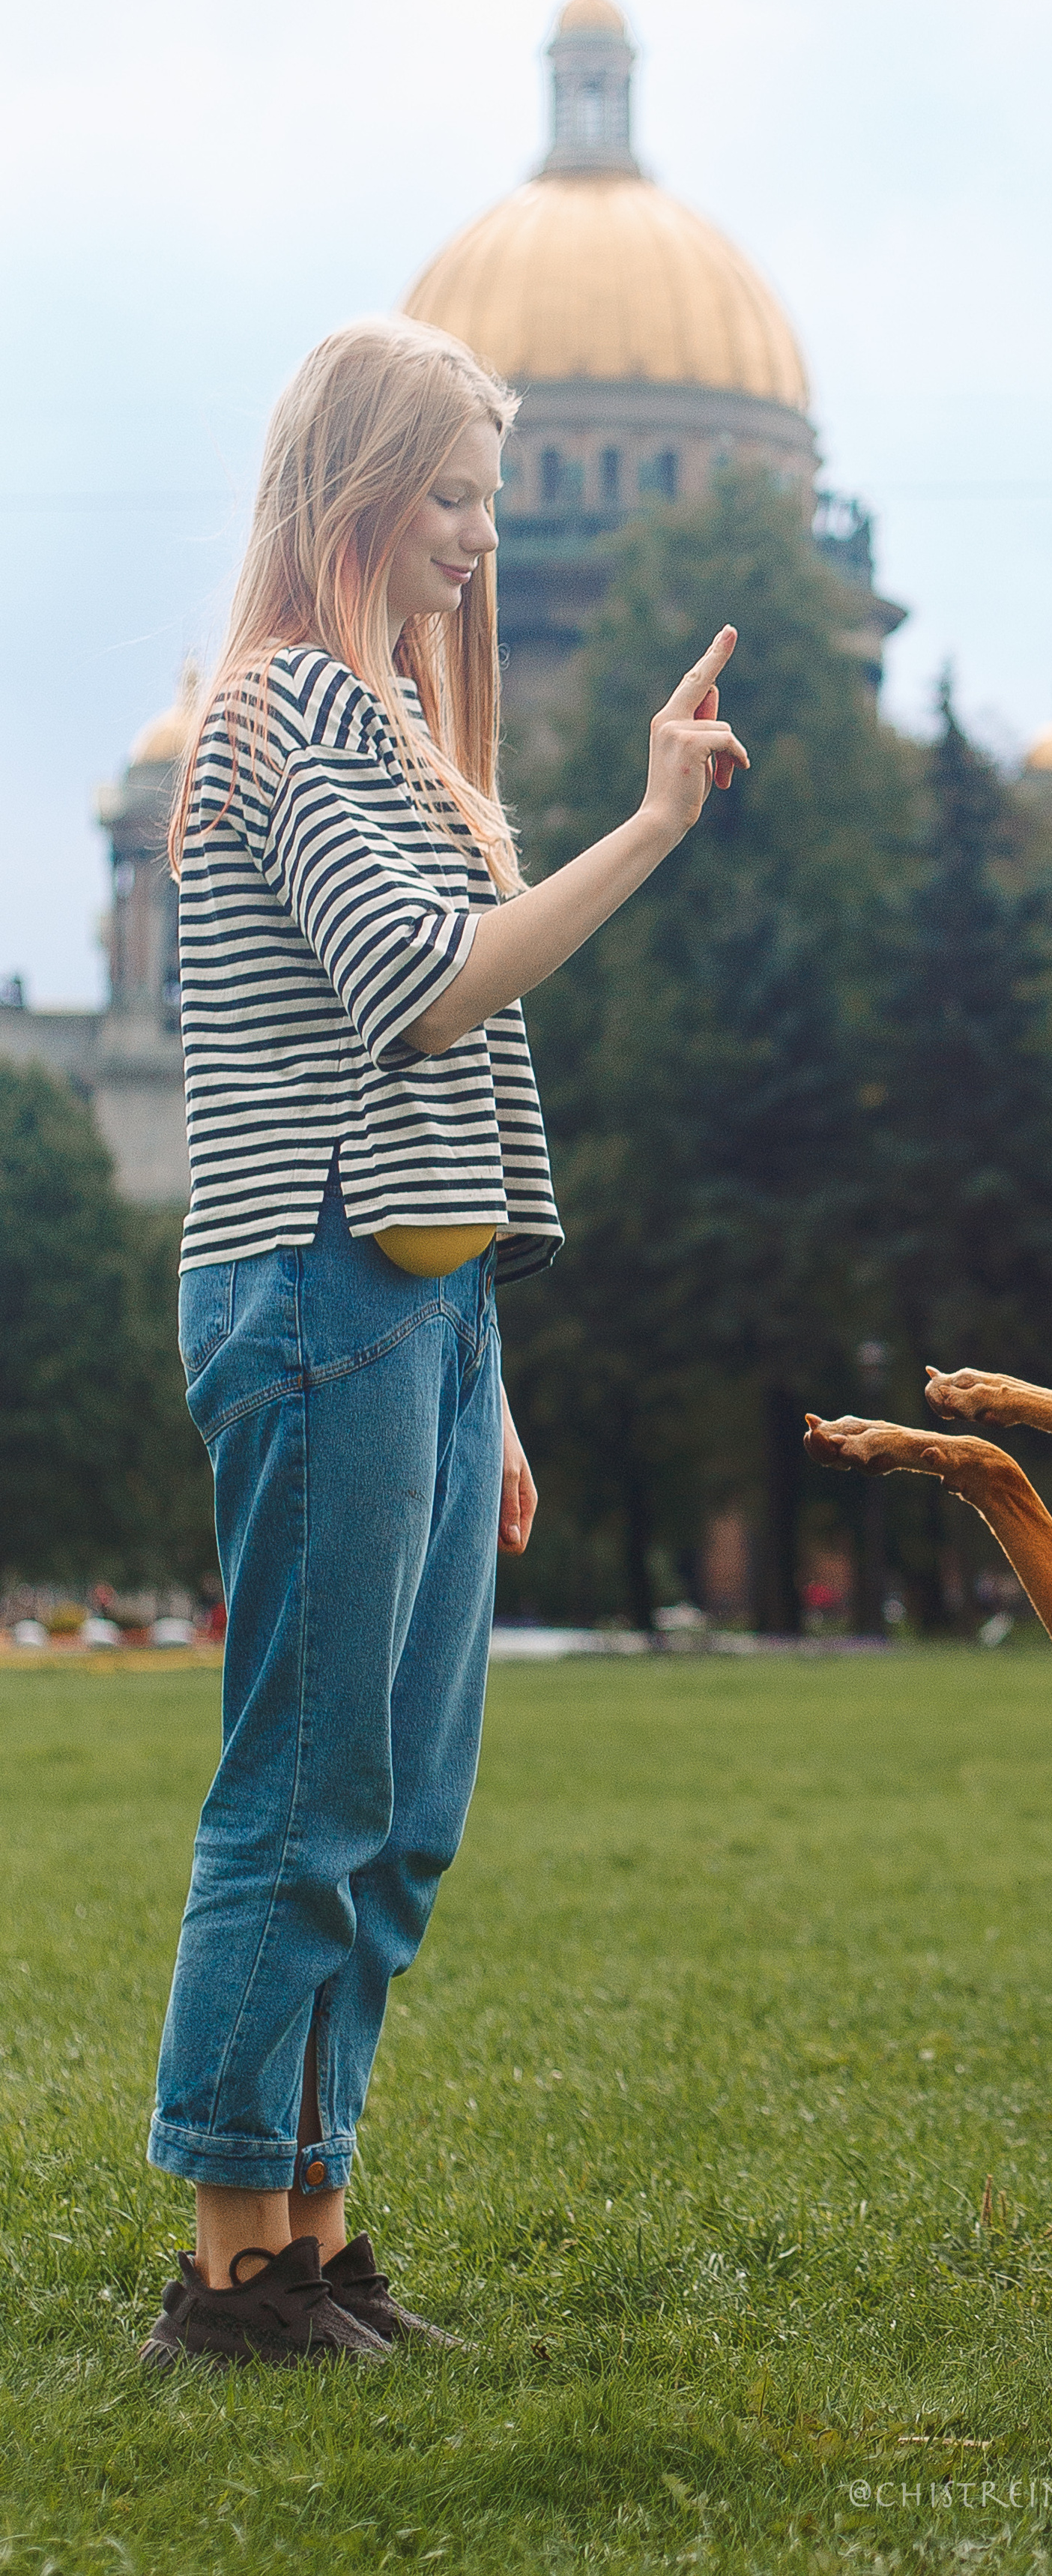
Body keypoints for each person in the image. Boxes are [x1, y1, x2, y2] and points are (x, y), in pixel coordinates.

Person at [140, 316, 746, 2364]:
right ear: (358, 493)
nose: (485, 534)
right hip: (313, 1286)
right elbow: (421, 994)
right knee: (304, 1792)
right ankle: (230, 2266)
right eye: (462, 494)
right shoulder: (284, 716)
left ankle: (314, 2233)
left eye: (494, 497)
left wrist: (491, 1378)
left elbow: (444, 1105)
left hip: (413, 1297)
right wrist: (651, 827)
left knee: (396, 1810)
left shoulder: (393, 734)